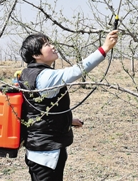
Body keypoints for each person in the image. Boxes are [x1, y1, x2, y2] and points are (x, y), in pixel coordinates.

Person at [18, 30, 118, 181]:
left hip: (40, 150)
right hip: (47, 154)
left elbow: (39, 110)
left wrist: (68, 120)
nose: (52, 46)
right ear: (36, 55)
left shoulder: (28, 74)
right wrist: (105, 48)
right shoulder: (45, 76)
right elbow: (77, 70)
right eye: (46, 44)